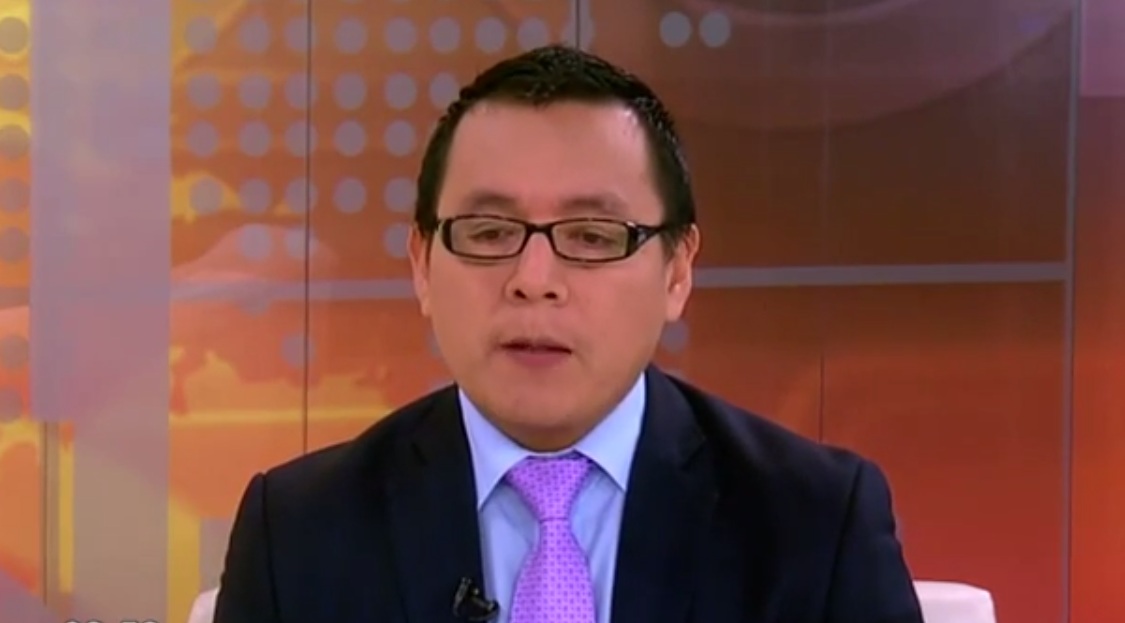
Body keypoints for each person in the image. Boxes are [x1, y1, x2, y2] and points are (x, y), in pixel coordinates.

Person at [214, 44, 923, 623]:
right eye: (489, 232)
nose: (534, 278)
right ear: (422, 265)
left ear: (677, 271)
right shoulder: (299, 533)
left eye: (591, 235)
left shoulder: (812, 523)